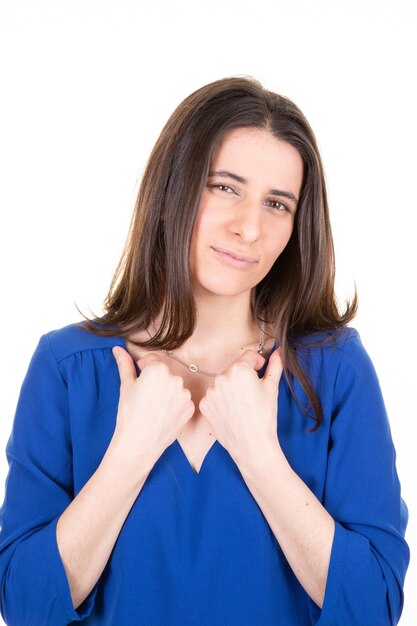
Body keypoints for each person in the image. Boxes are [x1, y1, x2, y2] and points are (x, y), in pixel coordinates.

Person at [0, 76, 410, 626]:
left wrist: (260, 455)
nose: (249, 228)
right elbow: (26, 608)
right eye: (225, 187)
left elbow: (374, 607)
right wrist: (130, 452)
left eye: (277, 203)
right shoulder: (68, 368)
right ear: (171, 195)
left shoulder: (334, 370)